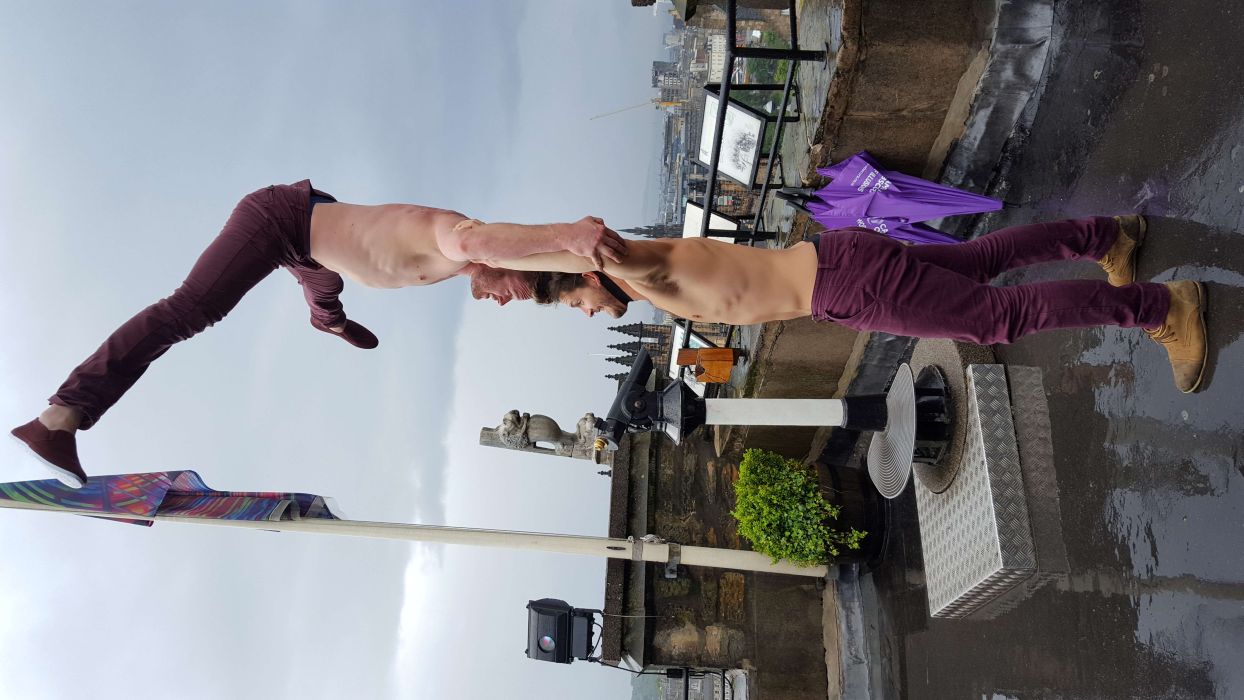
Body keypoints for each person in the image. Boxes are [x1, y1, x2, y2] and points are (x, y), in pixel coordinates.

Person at [10, 180, 627, 487]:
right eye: (514, 288)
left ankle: (326, 320)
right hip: (278, 222)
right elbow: (476, 243)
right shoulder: (456, 238)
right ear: (516, 263)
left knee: (324, 288)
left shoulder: (457, 265)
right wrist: (567, 235)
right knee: (191, 310)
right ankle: (61, 416)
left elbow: (483, 262)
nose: (500, 299)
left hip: (312, 245)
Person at [475, 215, 1207, 395]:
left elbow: (587, 242)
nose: (584, 314)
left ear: (585, 277)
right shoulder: (650, 277)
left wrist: (495, 261)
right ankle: (1110, 236)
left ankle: (1158, 308)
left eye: (573, 304)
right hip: (837, 257)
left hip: (841, 286)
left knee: (997, 317)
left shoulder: (643, 270)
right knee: (984, 261)